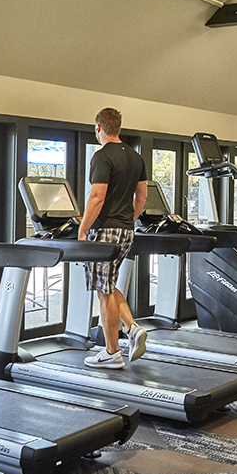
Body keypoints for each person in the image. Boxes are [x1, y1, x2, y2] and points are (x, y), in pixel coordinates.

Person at [78, 107, 148, 369]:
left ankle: (112, 352)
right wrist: (129, 220)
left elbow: (97, 196)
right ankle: (132, 328)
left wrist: (83, 229)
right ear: (118, 127)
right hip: (126, 230)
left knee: (104, 292)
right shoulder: (136, 157)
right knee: (108, 283)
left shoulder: (102, 156)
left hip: (105, 231)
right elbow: (142, 196)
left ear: (98, 128)